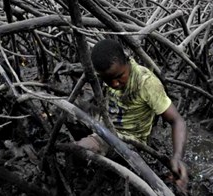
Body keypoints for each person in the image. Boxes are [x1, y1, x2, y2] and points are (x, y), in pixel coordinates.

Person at [76, 39, 188, 190]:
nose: (115, 84)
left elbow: (177, 121)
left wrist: (177, 157)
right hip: (106, 121)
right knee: (71, 107)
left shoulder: (146, 83)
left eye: (119, 76)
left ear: (126, 61)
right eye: (108, 80)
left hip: (127, 138)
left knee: (80, 150)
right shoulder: (109, 74)